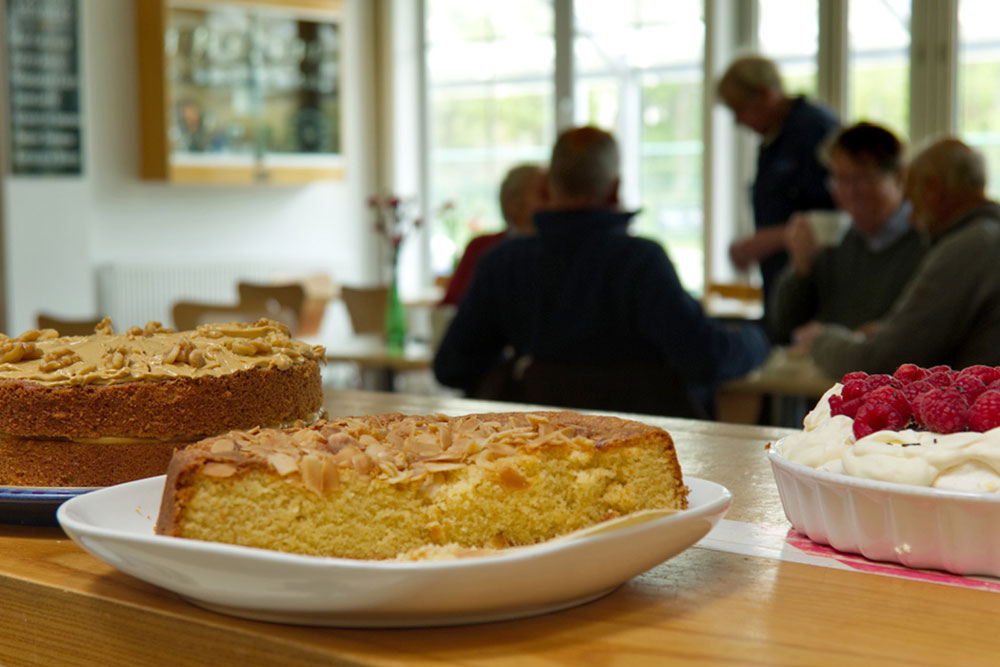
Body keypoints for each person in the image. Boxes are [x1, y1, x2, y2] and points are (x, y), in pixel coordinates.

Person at [433, 126, 770, 418]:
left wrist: (523, 372)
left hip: (544, 450)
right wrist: (758, 339)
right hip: (642, 449)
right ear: (614, 188)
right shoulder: (640, 262)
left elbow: (452, 367)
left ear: (548, 188)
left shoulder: (503, 263)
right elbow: (707, 358)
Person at [795, 137, 1000, 376]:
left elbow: (882, 362)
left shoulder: (967, 248)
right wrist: (892, 331)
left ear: (933, 189)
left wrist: (819, 340)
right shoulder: (986, 237)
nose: (911, 217)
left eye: (911, 200)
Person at [770, 122, 926, 342]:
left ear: (899, 177)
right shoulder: (836, 239)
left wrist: (834, 341)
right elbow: (785, 323)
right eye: (840, 179)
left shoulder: (927, 242)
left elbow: (919, 331)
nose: (850, 191)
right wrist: (800, 267)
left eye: (863, 178)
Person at [718, 55, 839, 321]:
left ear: (765, 94)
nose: (739, 122)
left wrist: (772, 239)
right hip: (780, 288)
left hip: (817, 295)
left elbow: (840, 219)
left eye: (740, 110)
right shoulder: (772, 140)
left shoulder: (814, 130)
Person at [440, 164, 547, 306]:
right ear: (513, 203)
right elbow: (450, 305)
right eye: (544, 194)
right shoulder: (482, 248)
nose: (552, 201)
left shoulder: (560, 248)